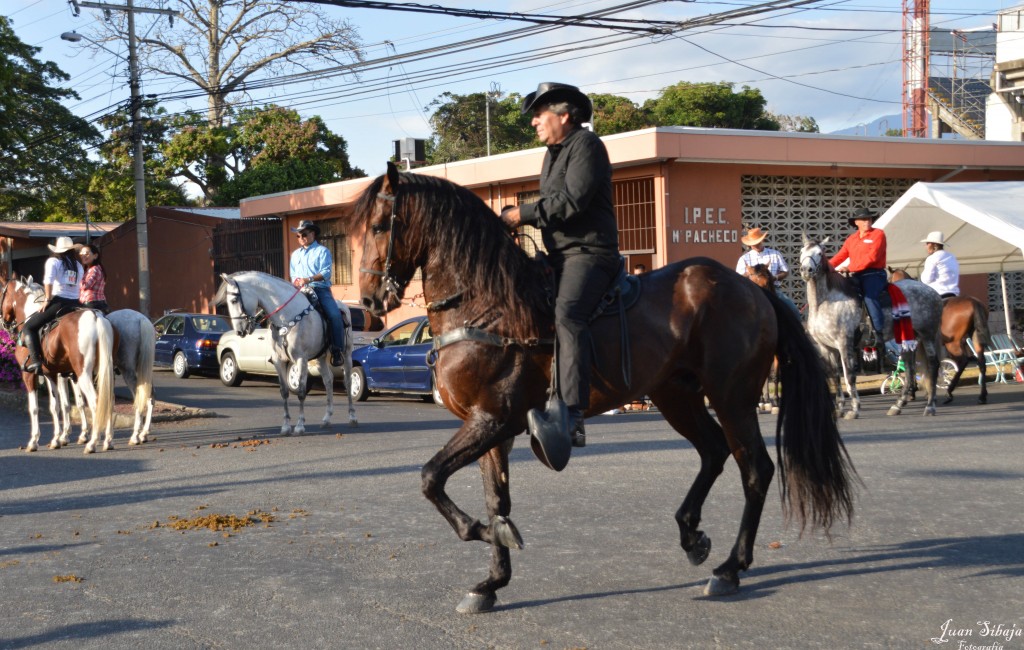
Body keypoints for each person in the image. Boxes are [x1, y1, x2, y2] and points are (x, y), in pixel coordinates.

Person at [499, 82, 621, 462]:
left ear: (565, 116)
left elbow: (571, 202)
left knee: (568, 316)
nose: (534, 122)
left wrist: (521, 214)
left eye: (540, 114)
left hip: (590, 254)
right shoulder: (552, 153)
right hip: (558, 255)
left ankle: (573, 414)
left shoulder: (587, 146)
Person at [21, 236, 84, 373]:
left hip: (59, 301)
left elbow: (48, 281)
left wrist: (47, 299)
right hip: (76, 303)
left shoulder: (54, 261)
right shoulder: (78, 265)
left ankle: (36, 362)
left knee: (28, 327)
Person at [289, 219, 345, 367]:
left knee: (334, 315)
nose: (301, 238)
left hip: (320, 289)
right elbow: (293, 274)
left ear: (313, 234)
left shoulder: (322, 251)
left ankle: (337, 350)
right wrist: (296, 282)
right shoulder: (295, 255)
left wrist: (308, 279)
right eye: (298, 236)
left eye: (304, 235)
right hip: (299, 291)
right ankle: (280, 349)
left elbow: (326, 272)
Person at [829, 206, 888, 346]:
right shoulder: (852, 239)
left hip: (874, 274)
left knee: (869, 297)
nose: (867, 221)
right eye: (863, 219)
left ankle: (879, 334)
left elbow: (872, 258)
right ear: (856, 222)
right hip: (856, 274)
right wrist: (826, 266)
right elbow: (841, 255)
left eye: (868, 218)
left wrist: (849, 268)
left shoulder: (878, 234)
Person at [735, 227, 799, 316]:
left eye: (757, 242)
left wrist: (775, 278)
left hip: (774, 290)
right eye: (753, 244)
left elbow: (785, 271)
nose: (755, 245)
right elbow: (738, 278)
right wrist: (748, 274)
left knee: (793, 310)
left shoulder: (775, 254)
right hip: (751, 291)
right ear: (750, 245)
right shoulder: (744, 259)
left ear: (762, 240)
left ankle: (797, 328)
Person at [920, 231, 959, 299]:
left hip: (938, 293)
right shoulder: (952, 256)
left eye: (927, 243)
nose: (926, 246)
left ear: (934, 245)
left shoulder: (932, 258)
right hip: (953, 293)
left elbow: (927, 279)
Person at [78, 243, 110, 314]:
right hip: (100, 303)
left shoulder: (94, 269)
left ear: (95, 256)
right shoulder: (96, 268)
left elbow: (85, 286)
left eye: (86, 253)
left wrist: (79, 278)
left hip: (91, 303)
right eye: (82, 254)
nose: (83, 256)